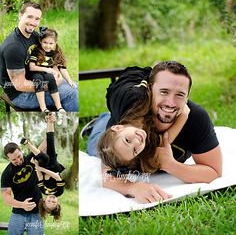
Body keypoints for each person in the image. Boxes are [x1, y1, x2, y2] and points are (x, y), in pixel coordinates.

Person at [86, 61, 222, 203]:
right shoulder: (130, 108)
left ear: (187, 97)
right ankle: (100, 120)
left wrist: (170, 165)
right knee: (96, 146)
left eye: (180, 95)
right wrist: (133, 188)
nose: (170, 102)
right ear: (150, 90)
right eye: (164, 92)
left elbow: (214, 172)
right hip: (112, 124)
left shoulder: (196, 117)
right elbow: (106, 175)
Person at [0, 1, 78, 111]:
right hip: (20, 94)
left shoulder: (34, 36)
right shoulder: (13, 47)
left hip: (39, 78)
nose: (33, 22)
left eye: (37, 19)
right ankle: (67, 121)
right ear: (20, 15)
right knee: (71, 93)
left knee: (75, 85)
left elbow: (51, 54)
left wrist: (55, 71)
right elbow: (19, 85)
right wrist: (52, 83)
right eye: (30, 17)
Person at [20, 113, 64, 220]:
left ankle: (28, 144)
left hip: (43, 166)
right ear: (57, 203)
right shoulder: (59, 192)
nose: (52, 199)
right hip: (53, 167)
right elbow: (57, 177)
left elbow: (40, 177)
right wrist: (42, 169)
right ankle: (49, 121)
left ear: (44, 200)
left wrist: (36, 166)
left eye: (49, 201)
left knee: (45, 158)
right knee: (50, 142)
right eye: (53, 202)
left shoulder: (43, 191)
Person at [26, 27, 76, 113]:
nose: (47, 46)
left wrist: (69, 81)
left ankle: (59, 107)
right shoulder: (36, 51)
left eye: (50, 43)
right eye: (45, 42)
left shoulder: (54, 53)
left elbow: (62, 68)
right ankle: (43, 107)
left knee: (51, 80)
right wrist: (47, 69)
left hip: (46, 72)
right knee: (39, 80)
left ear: (55, 43)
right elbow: (31, 67)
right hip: (35, 72)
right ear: (40, 41)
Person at [1, 142, 44, 235]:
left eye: (19, 156)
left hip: (37, 212)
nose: (18, 160)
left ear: (21, 150)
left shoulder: (31, 158)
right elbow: (6, 197)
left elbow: (45, 144)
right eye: (14, 159)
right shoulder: (6, 174)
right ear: (8, 159)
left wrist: (51, 127)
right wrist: (22, 205)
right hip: (17, 212)